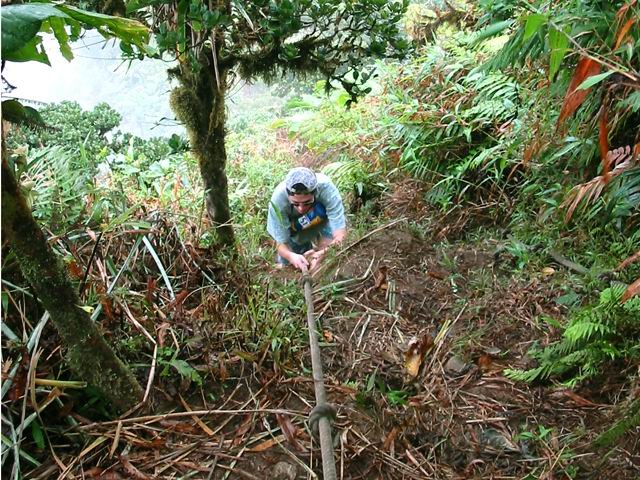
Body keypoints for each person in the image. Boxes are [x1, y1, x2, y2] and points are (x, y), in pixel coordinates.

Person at [267, 167, 347, 272]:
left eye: (307, 203)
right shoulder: (278, 201)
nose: (301, 209)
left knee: (325, 261)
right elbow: (281, 244)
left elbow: (340, 236)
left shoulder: (326, 189)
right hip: (294, 227)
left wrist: (323, 253)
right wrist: (291, 256)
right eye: (295, 204)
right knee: (291, 265)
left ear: (316, 193)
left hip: (321, 218)